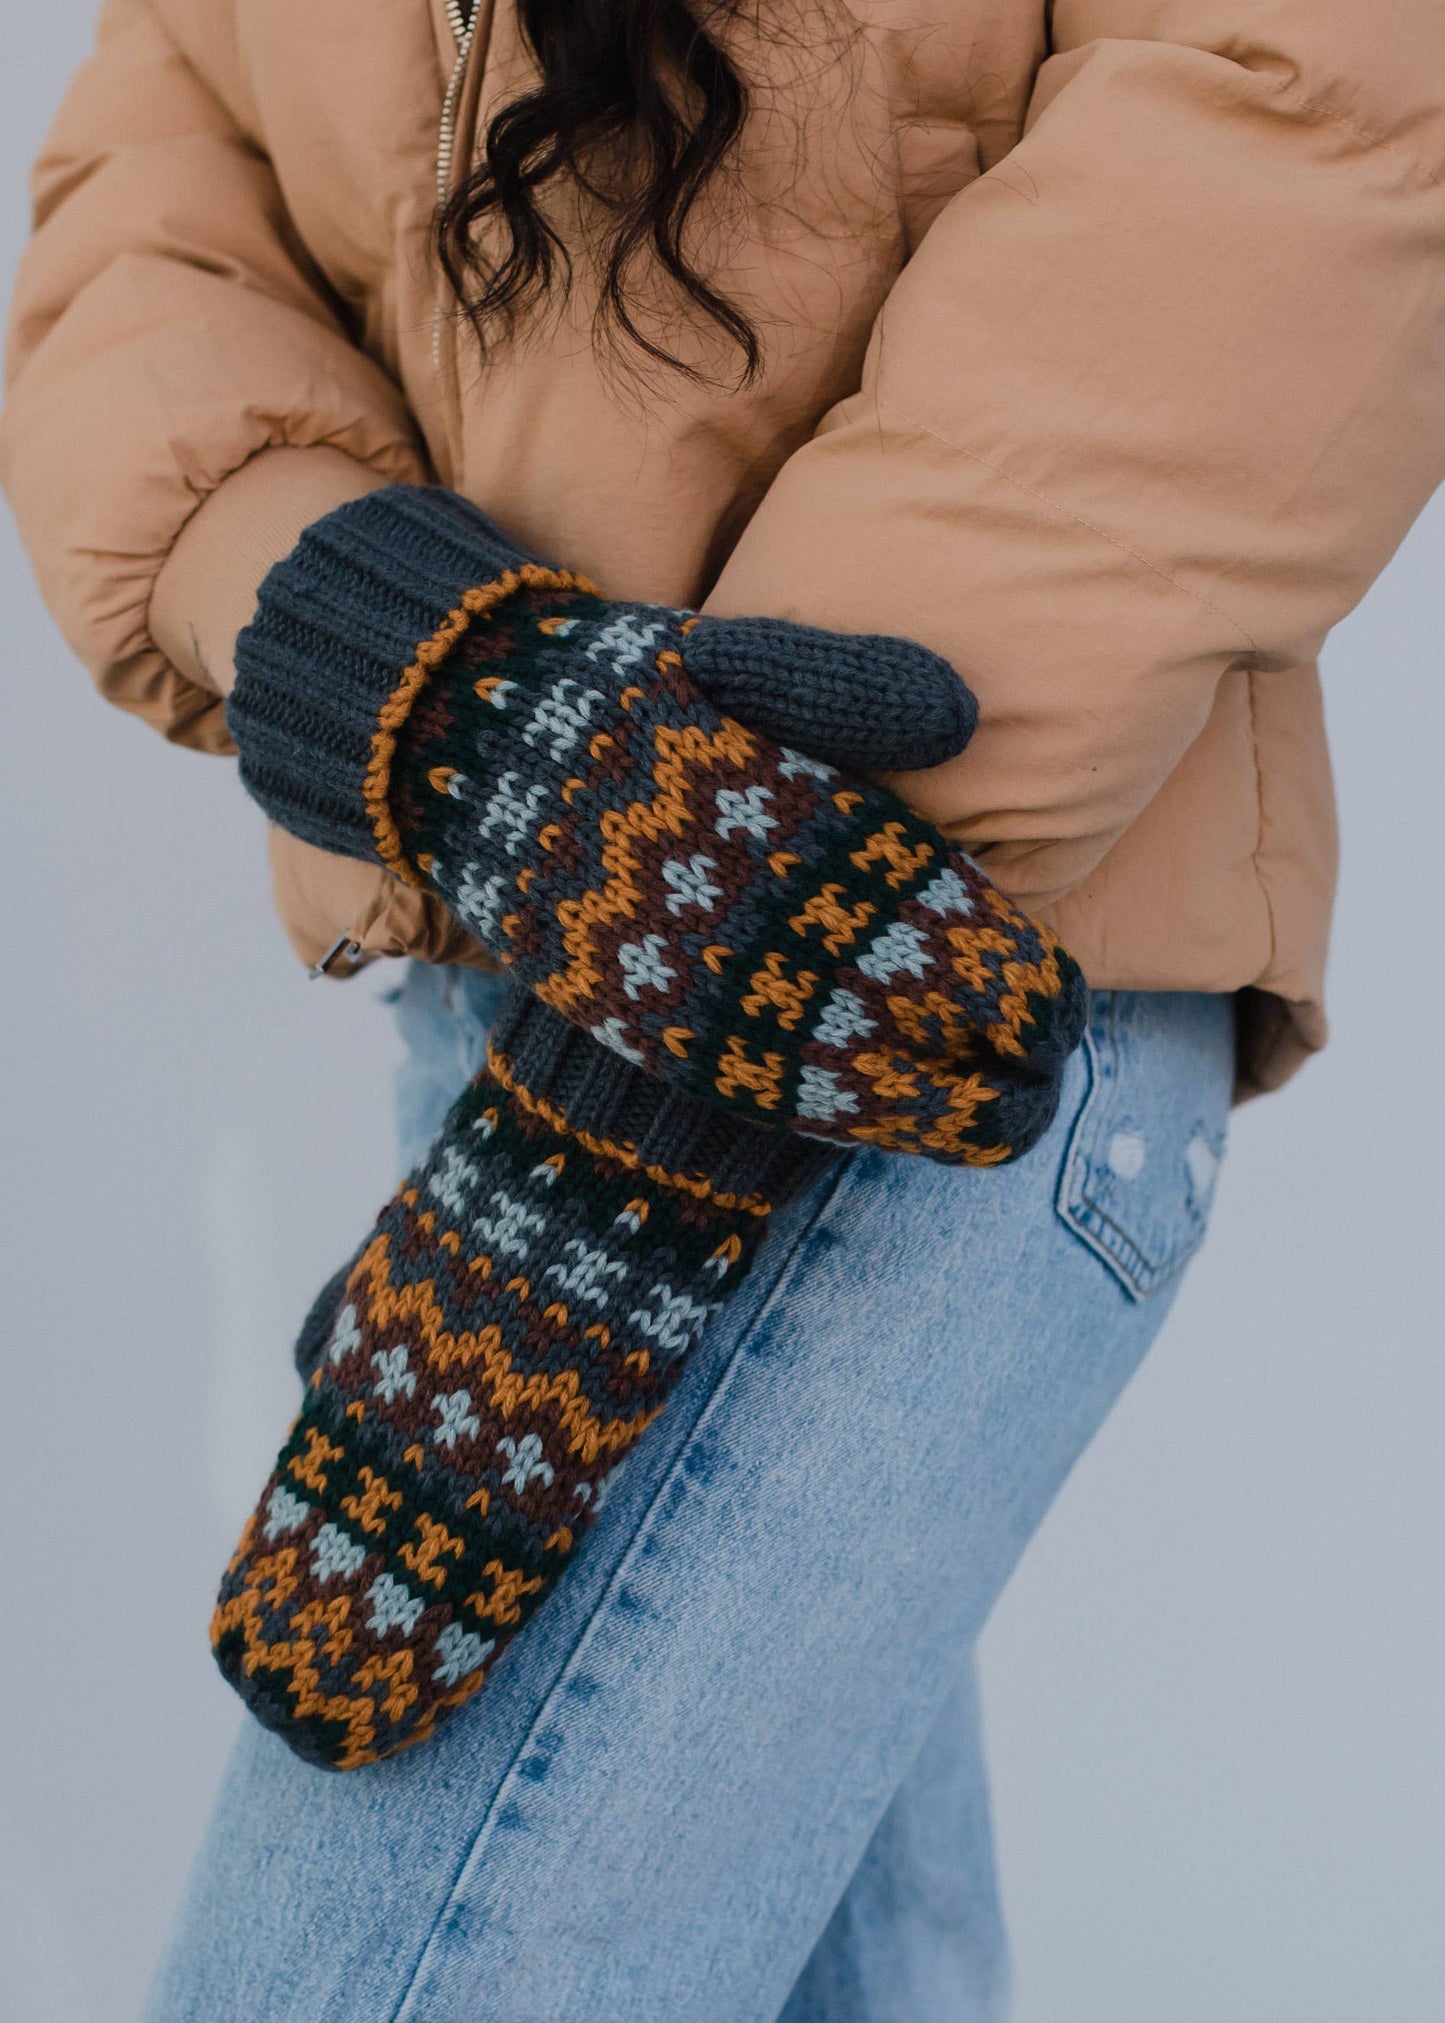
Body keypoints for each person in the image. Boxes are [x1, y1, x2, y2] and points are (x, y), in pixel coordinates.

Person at [3, 0, 1441, 2014]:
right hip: (500, 982)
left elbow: (1299, 121)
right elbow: (146, 209)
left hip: (943, 1001)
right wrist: (401, 663)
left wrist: (730, 905)